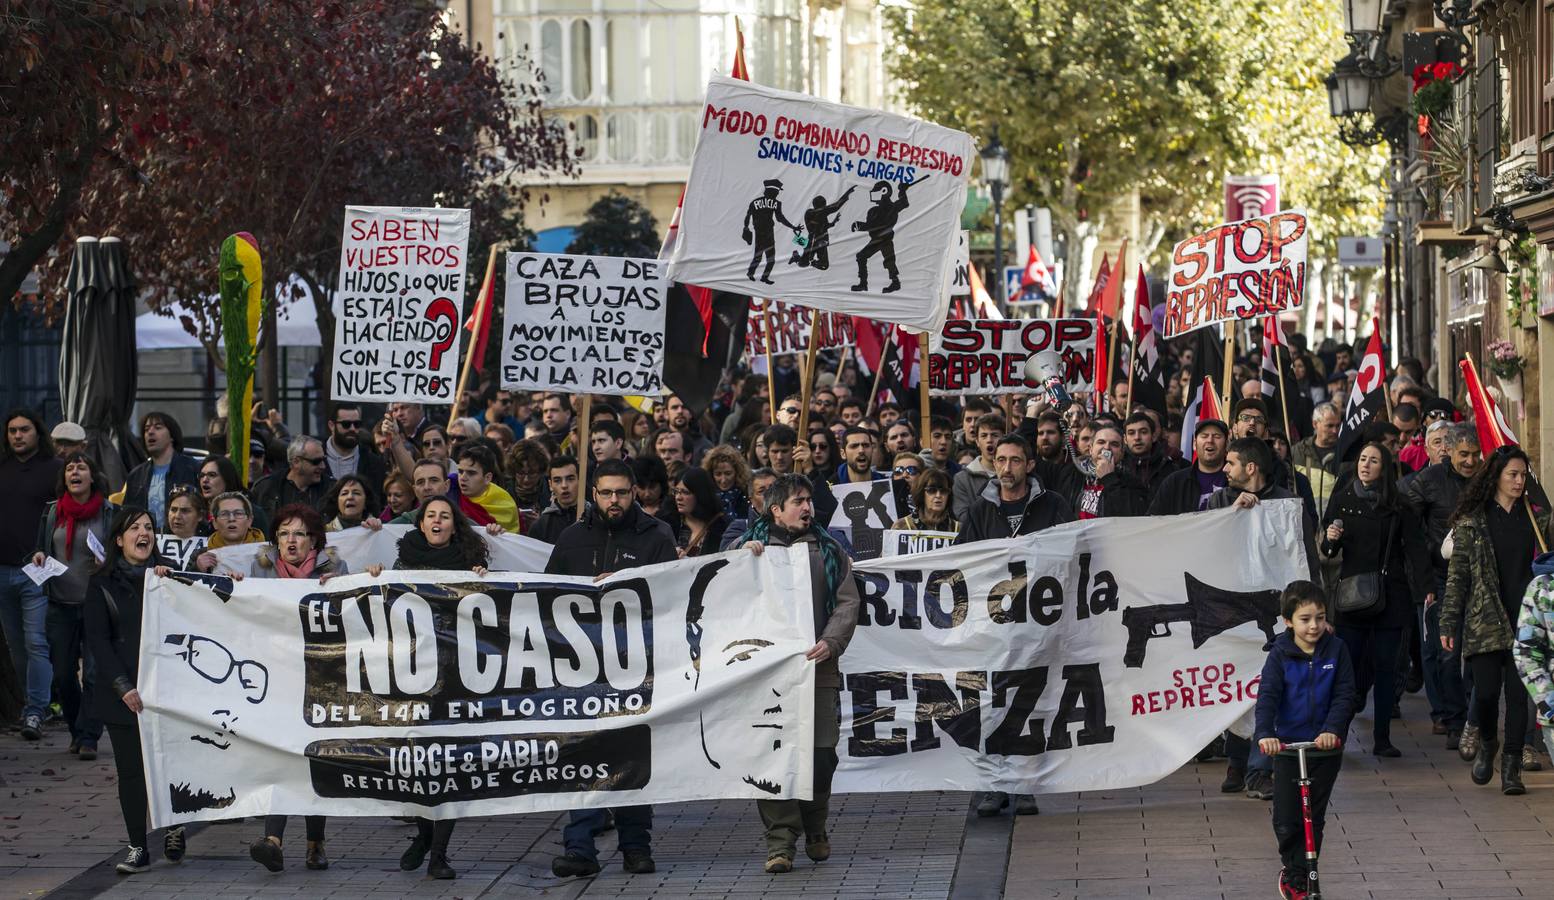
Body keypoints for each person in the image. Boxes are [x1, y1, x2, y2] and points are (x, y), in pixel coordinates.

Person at [546, 460, 677, 878]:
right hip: (581, 672)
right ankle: (580, 847)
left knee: (631, 758)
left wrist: (626, 584)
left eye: (621, 492)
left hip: (636, 668)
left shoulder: (658, 536)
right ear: (594, 494)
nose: (614, 501)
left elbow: (672, 593)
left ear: (634, 491)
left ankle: (636, 847)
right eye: (606, 493)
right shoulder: (571, 538)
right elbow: (546, 597)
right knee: (583, 759)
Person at [739, 474, 861, 872]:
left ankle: (815, 825)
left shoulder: (828, 551)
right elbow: (725, 596)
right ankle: (781, 842)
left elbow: (847, 602)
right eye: (798, 501)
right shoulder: (748, 550)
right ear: (775, 509)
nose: (807, 507)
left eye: (809, 500)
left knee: (821, 755)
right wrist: (741, 559)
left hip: (817, 669)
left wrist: (831, 641)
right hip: (767, 677)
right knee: (772, 757)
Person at [363, 497, 487, 880]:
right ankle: (423, 835)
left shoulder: (471, 564)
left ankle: (439, 854)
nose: (436, 521)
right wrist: (377, 576)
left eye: (444, 516)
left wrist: (483, 578)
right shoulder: (405, 560)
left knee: (448, 763)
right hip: (411, 674)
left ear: (455, 525)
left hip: (454, 676)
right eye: (430, 515)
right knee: (416, 765)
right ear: (420, 524)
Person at [956, 435, 1071, 814]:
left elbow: (1072, 555)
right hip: (992, 629)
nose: (1006, 468)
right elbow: (960, 565)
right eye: (1000, 460)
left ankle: (1023, 785)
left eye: (1015, 461)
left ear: (1030, 465)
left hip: (1039, 627)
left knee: (1032, 705)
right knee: (989, 706)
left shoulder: (1053, 506)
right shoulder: (977, 512)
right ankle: (994, 786)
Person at [1441, 446, 1550, 794]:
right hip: (1485, 620)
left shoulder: (1537, 519)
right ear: (1496, 477)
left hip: (1526, 623)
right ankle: (1488, 742)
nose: (1519, 481)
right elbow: (1457, 578)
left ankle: (1512, 766)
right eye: (1512, 475)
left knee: (1520, 698)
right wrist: (1448, 623)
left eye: (1523, 475)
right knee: (1486, 695)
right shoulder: (1472, 521)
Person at [85, 507, 188, 874]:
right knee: (132, 771)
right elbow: (98, 640)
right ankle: (138, 846)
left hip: (167, 690)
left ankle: (175, 825)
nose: (143, 533)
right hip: (122, 694)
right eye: (134, 528)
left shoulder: (166, 580)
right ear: (119, 539)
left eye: (149, 528)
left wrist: (169, 583)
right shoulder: (101, 583)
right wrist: (122, 687)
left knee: (170, 762)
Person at [247, 504, 346, 873]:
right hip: (277, 678)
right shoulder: (260, 569)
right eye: (285, 533)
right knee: (281, 757)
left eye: (300, 534)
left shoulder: (336, 570)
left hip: (321, 678)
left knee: (313, 759)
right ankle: (273, 839)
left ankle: (315, 842)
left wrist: (339, 590)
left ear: (314, 541)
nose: (291, 540)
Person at [1319, 442, 1429, 757]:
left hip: (1390, 596)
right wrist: (1330, 539)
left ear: (1384, 468)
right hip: (1353, 597)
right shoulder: (1342, 500)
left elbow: (1415, 549)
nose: (1366, 465)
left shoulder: (1398, 505)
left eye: (1374, 460)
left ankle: (1382, 737)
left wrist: (1424, 591)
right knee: (1347, 668)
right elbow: (1328, 552)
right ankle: (1336, 732)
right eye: (1363, 459)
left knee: (1385, 668)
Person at [1254, 580, 1357, 900]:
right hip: (1287, 749)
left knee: (1313, 816)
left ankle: (1304, 875)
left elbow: (1344, 695)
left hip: (1323, 749)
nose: (1314, 625)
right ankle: (1292, 866)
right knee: (1287, 818)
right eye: (1305, 619)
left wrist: (1332, 730)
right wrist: (1266, 735)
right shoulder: (1279, 655)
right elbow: (1267, 698)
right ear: (1288, 621)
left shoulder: (1336, 650)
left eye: (1320, 617)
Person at [1404, 423, 1480, 751]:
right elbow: (1407, 521)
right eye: (1464, 454)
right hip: (1442, 578)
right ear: (1449, 451)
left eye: (1476, 455)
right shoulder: (1429, 481)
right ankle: (1455, 719)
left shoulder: (1485, 480)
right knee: (1447, 652)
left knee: (1480, 653)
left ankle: (1476, 716)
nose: (1471, 461)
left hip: (1480, 580)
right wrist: (1423, 573)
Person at [33, 452, 114, 756]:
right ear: (64, 477)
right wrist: (38, 557)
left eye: (82, 467)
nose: (75, 472)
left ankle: (89, 737)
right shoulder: (53, 512)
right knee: (64, 675)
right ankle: (76, 729)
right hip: (60, 605)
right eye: (70, 468)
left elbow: (120, 555)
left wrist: (107, 561)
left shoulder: (107, 512)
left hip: (96, 604)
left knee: (93, 674)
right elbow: (39, 550)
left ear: (93, 476)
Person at [1, 408, 62, 739]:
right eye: (12, 431)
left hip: (35, 572)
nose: (17, 436)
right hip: (1, 571)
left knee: (36, 641)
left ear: (37, 432)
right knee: (15, 647)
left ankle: (36, 710)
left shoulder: (55, 470)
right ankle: (35, 703)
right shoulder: (2, 468)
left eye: (24, 429)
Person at [1148, 418, 1229, 515]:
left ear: (1226, 445)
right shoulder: (1175, 482)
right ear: (1194, 444)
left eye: (1217, 436)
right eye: (1204, 436)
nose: (1210, 440)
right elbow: (1153, 519)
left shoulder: (1237, 481)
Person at [1072, 424, 1150, 519]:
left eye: (1114, 444)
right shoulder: (1074, 473)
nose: (1107, 448)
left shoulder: (1132, 482)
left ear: (1122, 453)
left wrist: (1109, 478)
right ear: (1091, 449)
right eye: (1101, 442)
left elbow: (1133, 515)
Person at [251, 435, 334, 522]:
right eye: (316, 462)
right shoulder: (265, 488)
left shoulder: (332, 489)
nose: (323, 466)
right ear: (296, 462)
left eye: (323, 460)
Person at [454, 443, 520, 533]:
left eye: (471, 473)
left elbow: (510, 543)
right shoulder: (450, 489)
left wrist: (498, 534)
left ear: (487, 478)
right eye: (460, 471)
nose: (462, 478)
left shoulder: (504, 505)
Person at [950, 413, 1005, 521]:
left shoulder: (1014, 473)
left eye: (994, 435)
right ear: (977, 442)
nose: (989, 440)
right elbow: (962, 516)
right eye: (984, 436)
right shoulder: (962, 479)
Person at [197, 492, 266, 571]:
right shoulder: (200, 555)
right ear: (214, 523)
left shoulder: (271, 555)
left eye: (238, 513)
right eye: (224, 514)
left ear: (249, 520)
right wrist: (197, 568)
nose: (231, 519)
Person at [1122, 412, 1186, 497]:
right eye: (1131, 433)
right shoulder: (1118, 467)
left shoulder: (1170, 467)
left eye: (1143, 432)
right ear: (1125, 439)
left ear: (1153, 436)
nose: (1137, 437)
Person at [672, 467, 729, 558]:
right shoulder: (670, 523)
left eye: (685, 492)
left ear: (700, 494)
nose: (678, 497)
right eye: (676, 491)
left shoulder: (721, 526)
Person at [722, 468, 778, 551]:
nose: (770, 494)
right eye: (761, 491)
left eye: (774, 488)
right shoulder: (739, 528)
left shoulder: (796, 524)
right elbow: (723, 557)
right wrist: (742, 547)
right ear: (752, 500)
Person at [529, 456, 582, 544]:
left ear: (580, 480)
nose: (564, 485)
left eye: (570, 479)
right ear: (550, 485)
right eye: (557, 480)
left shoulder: (595, 518)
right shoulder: (540, 526)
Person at [891, 468, 959, 534]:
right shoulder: (901, 526)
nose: (938, 495)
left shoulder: (959, 529)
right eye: (931, 490)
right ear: (921, 493)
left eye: (944, 491)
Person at [703, 445, 752, 520]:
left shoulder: (748, 494)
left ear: (737, 472)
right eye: (718, 474)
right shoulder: (705, 498)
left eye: (728, 473)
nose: (723, 480)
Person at [505, 439, 551, 515]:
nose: (526, 479)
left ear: (540, 470)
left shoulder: (551, 491)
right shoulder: (504, 490)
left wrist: (540, 523)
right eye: (521, 473)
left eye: (532, 473)